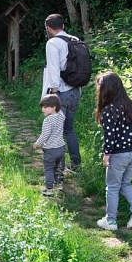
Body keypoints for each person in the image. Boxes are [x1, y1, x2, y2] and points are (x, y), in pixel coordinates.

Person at [94, 71, 132, 231]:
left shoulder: (109, 110)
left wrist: (106, 155)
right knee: (126, 183)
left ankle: (110, 221)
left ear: (106, 90)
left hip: (118, 154)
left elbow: (110, 136)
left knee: (112, 186)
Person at [43, 14, 81, 173]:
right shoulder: (75, 40)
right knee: (69, 130)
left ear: (49, 28)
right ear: (63, 26)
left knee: (56, 132)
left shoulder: (53, 43)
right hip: (76, 91)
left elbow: (53, 69)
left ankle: (59, 169)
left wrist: (54, 94)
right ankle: (76, 165)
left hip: (61, 93)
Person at [33, 94, 66, 196]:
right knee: (57, 167)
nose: (43, 109)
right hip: (61, 147)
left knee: (49, 168)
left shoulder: (48, 120)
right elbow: (60, 111)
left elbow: (45, 134)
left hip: (50, 149)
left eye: (46, 107)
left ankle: (49, 189)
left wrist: (37, 143)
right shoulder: (61, 115)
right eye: (42, 107)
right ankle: (57, 183)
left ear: (54, 107)